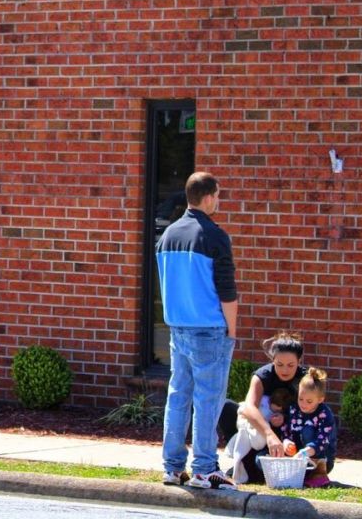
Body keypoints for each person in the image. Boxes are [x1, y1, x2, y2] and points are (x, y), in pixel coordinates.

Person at [156, 171, 239, 490]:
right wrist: (232, 330)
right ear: (207, 197)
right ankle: (205, 467)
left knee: (178, 396)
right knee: (208, 400)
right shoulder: (215, 236)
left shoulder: (167, 237)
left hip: (178, 328)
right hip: (209, 328)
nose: (218, 201)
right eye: (217, 195)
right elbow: (227, 290)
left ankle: (173, 468)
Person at [223, 333, 307, 484]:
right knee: (226, 407)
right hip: (261, 430)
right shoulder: (262, 376)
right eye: (279, 364)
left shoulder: (305, 378)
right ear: (272, 360)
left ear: (299, 361)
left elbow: (311, 409)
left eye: (291, 365)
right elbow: (249, 407)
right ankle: (243, 462)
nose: (285, 370)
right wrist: (269, 435)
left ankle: (254, 468)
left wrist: (286, 418)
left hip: (289, 434)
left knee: (260, 464)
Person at [279, 367, 338, 488]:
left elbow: (323, 441)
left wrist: (307, 451)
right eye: (301, 399)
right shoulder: (294, 409)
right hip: (299, 458)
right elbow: (287, 428)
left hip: (322, 459)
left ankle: (318, 474)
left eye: (309, 401)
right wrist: (286, 441)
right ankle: (303, 473)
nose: (303, 404)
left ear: (320, 399)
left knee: (307, 429)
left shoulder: (325, 415)